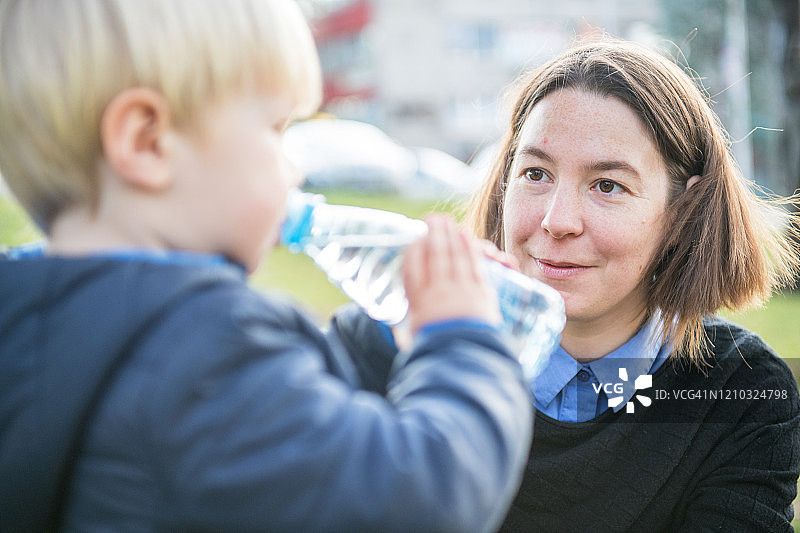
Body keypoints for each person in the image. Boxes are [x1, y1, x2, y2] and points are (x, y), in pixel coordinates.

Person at [0, 1, 534, 531]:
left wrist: (393, 337)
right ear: (148, 141)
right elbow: (420, 498)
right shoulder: (202, 349)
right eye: (276, 129)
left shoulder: (43, 326)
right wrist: (461, 338)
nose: (294, 167)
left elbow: (295, 408)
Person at [461, 38, 800, 531]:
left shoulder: (744, 394)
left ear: (681, 211)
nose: (558, 222)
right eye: (535, 173)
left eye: (608, 185)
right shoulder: (423, 352)